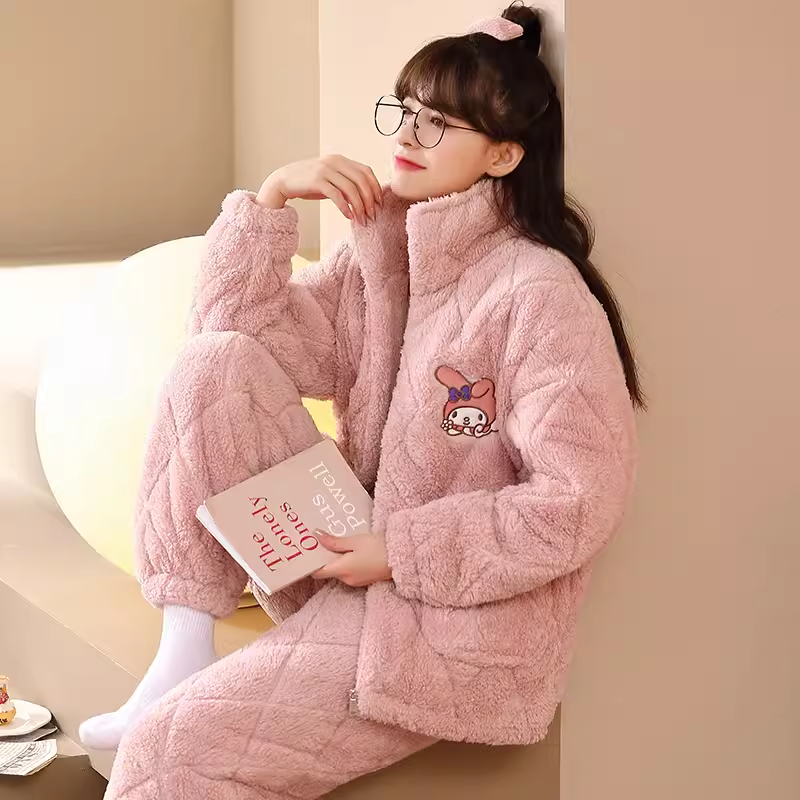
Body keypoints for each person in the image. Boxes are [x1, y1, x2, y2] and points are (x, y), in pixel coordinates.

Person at [81, 5, 642, 798]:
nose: (407, 134)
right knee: (213, 362)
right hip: (346, 562)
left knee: (166, 755)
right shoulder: (380, 254)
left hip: (442, 631)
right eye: (404, 110)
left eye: (438, 122)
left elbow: (579, 502)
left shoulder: (538, 294)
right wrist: (272, 202)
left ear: (504, 154)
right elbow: (232, 344)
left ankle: (178, 696)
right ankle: (183, 647)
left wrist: (401, 551)